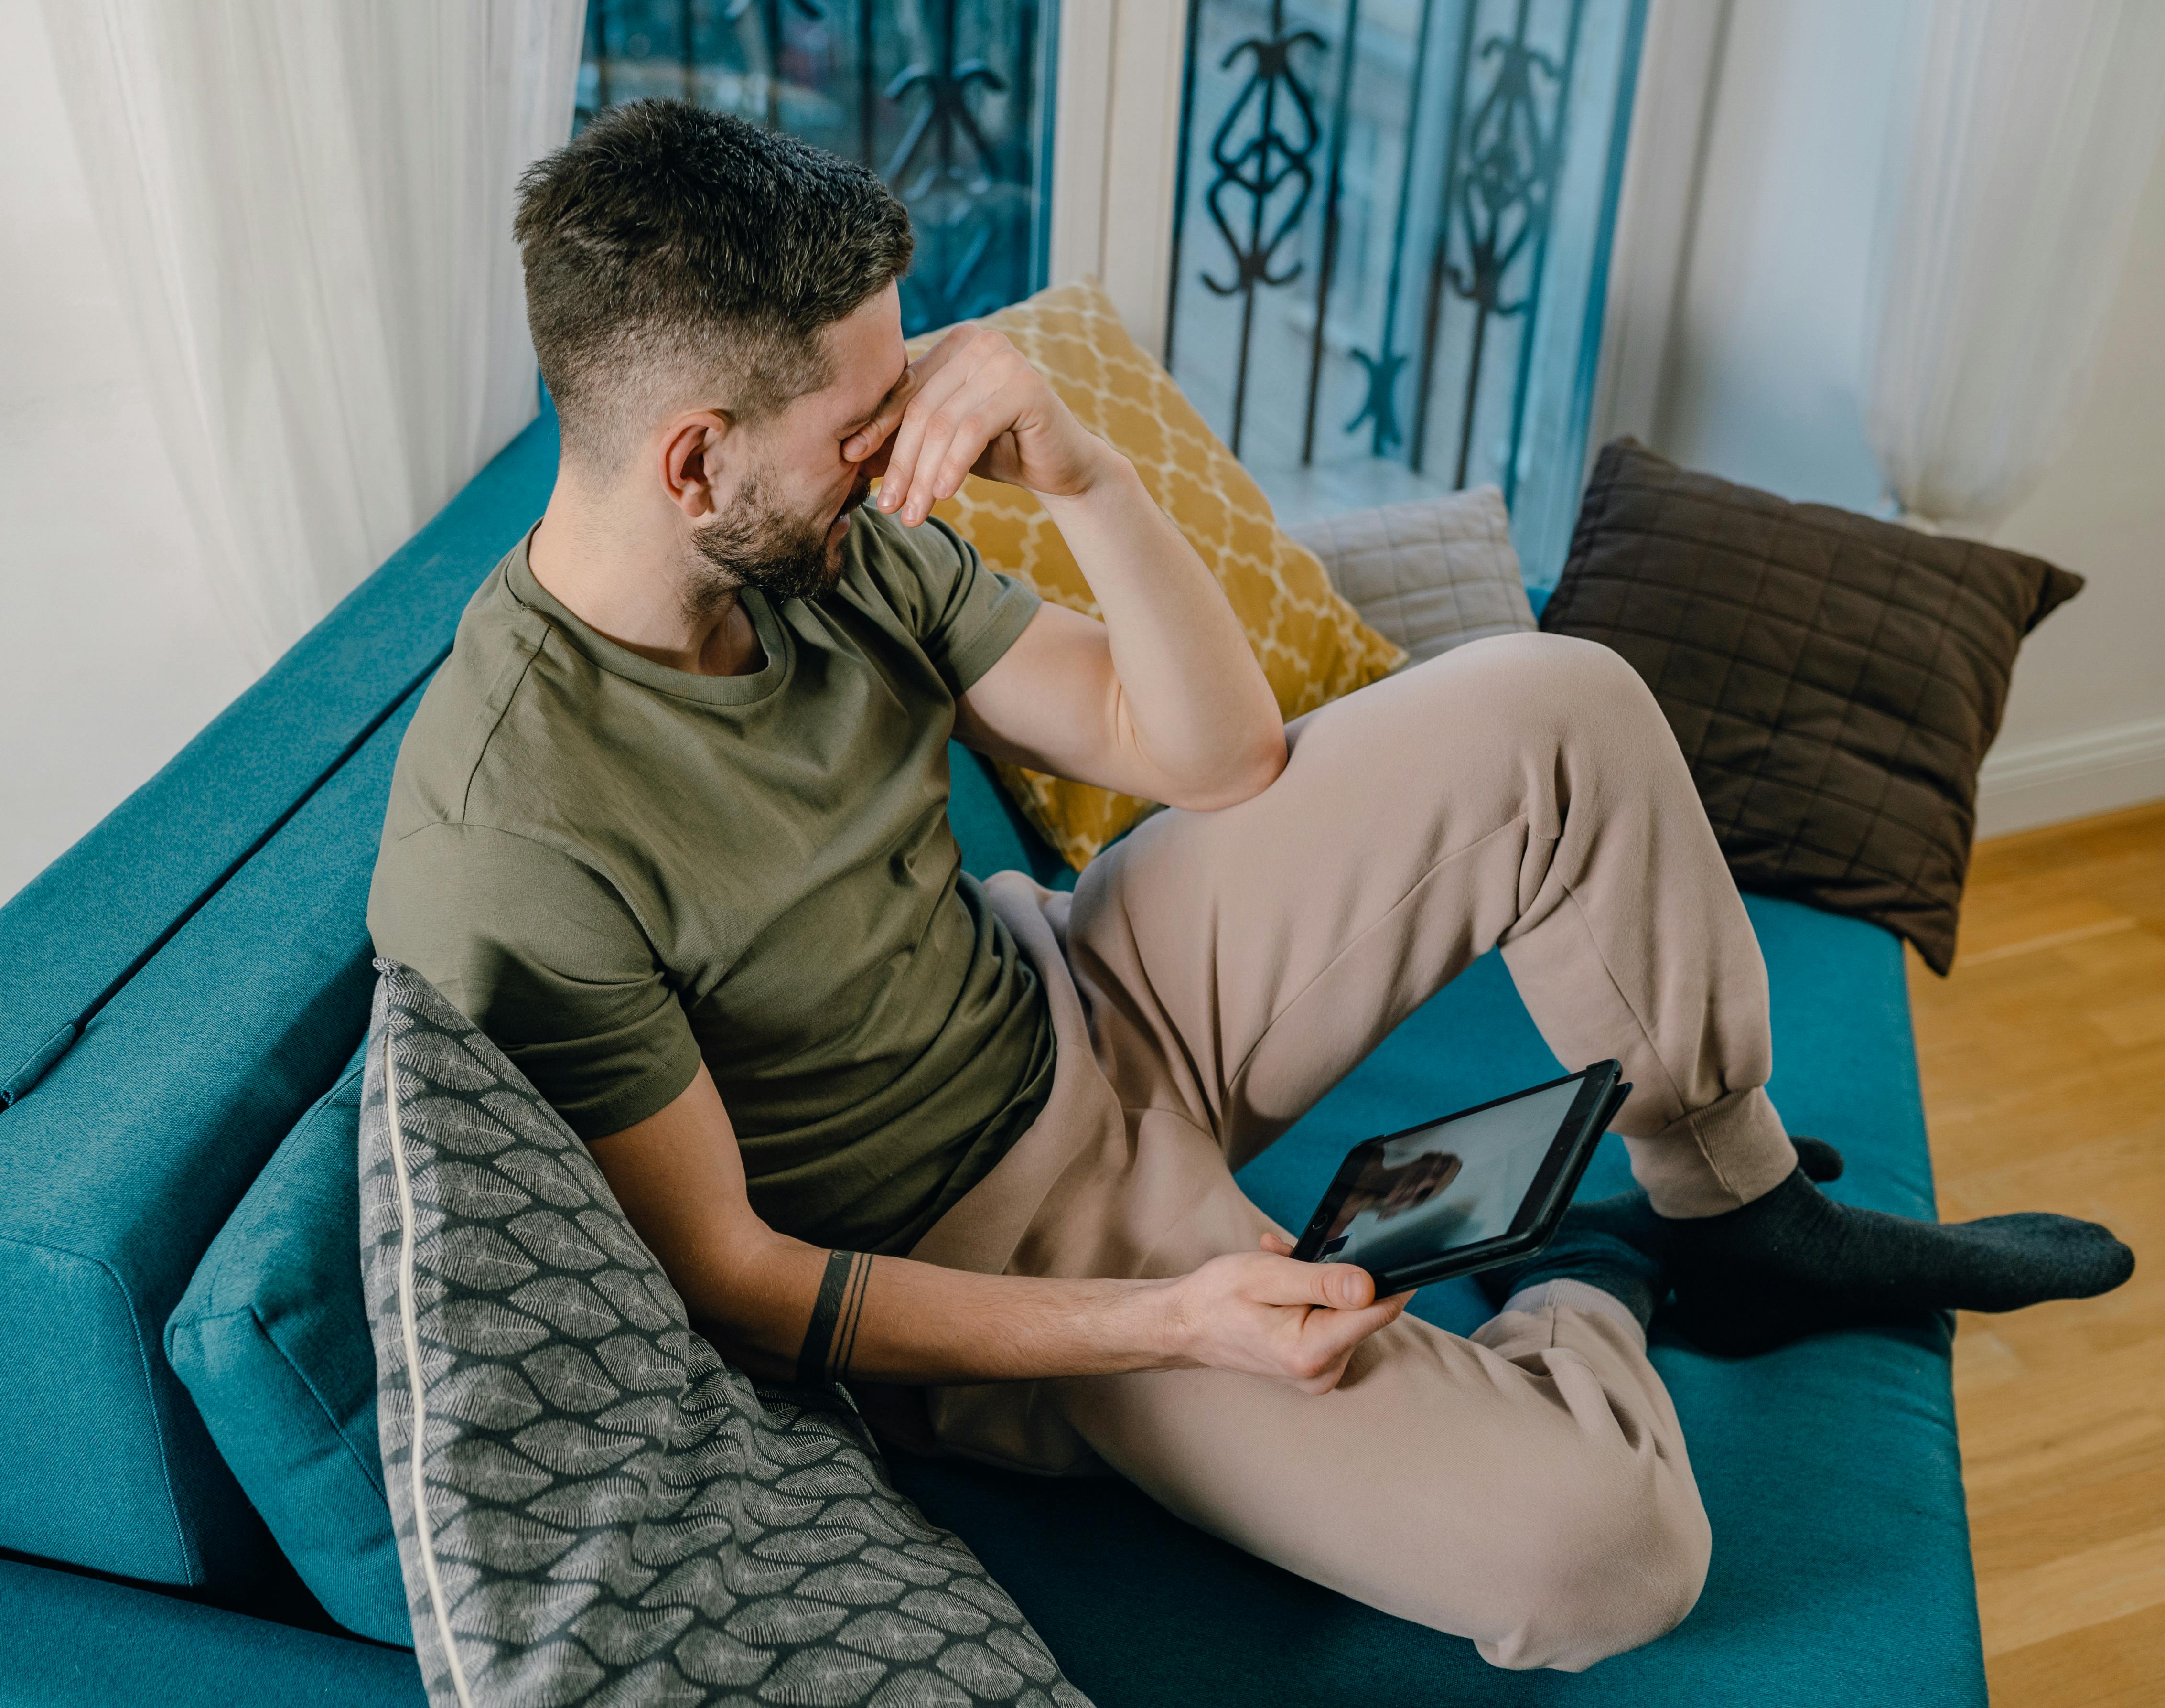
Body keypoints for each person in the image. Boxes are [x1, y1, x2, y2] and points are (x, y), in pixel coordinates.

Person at [367, 101, 2132, 1672]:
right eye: (861, 420)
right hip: (991, 1243)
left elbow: (1211, 760)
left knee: (1556, 705)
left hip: (1085, 989)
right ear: (693, 457)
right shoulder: (510, 837)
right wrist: (1171, 1321)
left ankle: (1731, 1214)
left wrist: (1083, 472)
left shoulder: (829, 548)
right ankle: (1603, 1278)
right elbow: (743, 1283)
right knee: (1603, 1559)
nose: (899, 442)